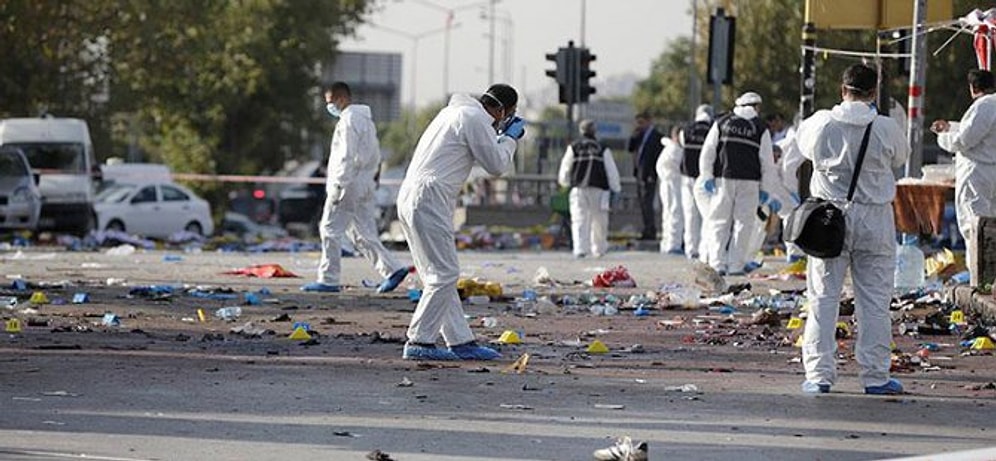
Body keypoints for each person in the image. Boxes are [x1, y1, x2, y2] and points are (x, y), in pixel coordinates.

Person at [796, 64, 910, 395]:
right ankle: (875, 376)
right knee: (874, 302)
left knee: (822, 298)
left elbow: (803, 149)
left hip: (829, 221)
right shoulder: (886, 128)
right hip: (875, 220)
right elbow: (899, 158)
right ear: (874, 92)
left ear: (841, 89)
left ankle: (819, 376)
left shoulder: (820, 123)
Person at [397, 83, 526, 361]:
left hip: (412, 195)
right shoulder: (475, 118)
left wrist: (499, 136)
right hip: (429, 197)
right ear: (503, 110)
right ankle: (419, 340)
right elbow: (496, 165)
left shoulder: (453, 113)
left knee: (437, 275)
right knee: (444, 275)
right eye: (509, 114)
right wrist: (510, 139)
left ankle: (460, 340)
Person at [302, 82, 412, 294]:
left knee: (330, 229)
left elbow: (346, 155)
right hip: (364, 183)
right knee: (362, 233)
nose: (329, 107)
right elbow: (375, 154)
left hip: (348, 183)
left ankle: (328, 279)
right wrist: (372, 178)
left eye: (330, 102)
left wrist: (339, 185)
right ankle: (393, 269)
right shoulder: (366, 121)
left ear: (341, 99)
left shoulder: (348, 120)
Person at [697, 91, 780, 275]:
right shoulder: (760, 128)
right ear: (756, 107)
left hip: (723, 179)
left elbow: (708, 151)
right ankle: (735, 266)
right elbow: (767, 162)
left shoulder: (723, 122)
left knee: (719, 223)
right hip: (749, 182)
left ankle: (717, 264)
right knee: (744, 225)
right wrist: (767, 190)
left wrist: (707, 175)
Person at [931, 69, 996, 270]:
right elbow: (977, 130)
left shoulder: (983, 106)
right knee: (990, 227)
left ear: (973, 88)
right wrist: (950, 126)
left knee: (974, 226)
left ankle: (979, 280)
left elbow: (964, 140)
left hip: (978, 174)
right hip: (990, 172)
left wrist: (942, 137)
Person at [557, 119, 622, 258]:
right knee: (600, 221)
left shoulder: (574, 147)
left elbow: (565, 169)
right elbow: (611, 171)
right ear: (594, 131)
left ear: (581, 131)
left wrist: (566, 183)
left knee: (579, 220)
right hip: (600, 189)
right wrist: (615, 188)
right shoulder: (602, 148)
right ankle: (598, 249)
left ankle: (580, 249)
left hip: (579, 189)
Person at [677, 104, 714, 260]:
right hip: (706, 178)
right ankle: (705, 249)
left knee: (690, 214)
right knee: (707, 214)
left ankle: (691, 249)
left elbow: (681, 145)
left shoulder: (686, 130)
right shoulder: (713, 130)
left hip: (687, 177)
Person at [628, 113, 663, 241]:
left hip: (649, 175)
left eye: (641, 122)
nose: (639, 125)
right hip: (639, 174)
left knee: (648, 203)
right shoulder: (639, 136)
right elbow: (630, 148)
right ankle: (646, 228)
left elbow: (658, 157)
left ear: (649, 121)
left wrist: (653, 174)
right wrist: (634, 134)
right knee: (642, 203)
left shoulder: (657, 137)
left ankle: (650, 230)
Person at [656, 125, 684, 254]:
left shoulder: (670, 148)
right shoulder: (675, 149)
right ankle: (673, 244)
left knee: (669, 214)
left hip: (668, 184)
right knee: (675, 213)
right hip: (673, 184)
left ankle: (667, 243)